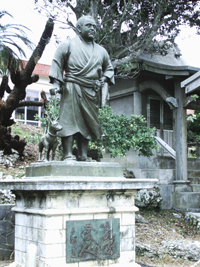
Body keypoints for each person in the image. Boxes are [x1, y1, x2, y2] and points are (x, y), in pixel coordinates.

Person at [49, 15, 114, 161]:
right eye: (89, 25)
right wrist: (56, 84)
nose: (92, 28)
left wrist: (102, 80)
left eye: (94, 27)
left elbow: (109, 69)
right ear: (79, 28)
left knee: (87, 122)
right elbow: (57, 62)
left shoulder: (101, 51)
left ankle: (83, 154)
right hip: (71, 87)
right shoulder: (68, 44)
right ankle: (67, 154)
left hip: (91, 91)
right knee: (69, 121)